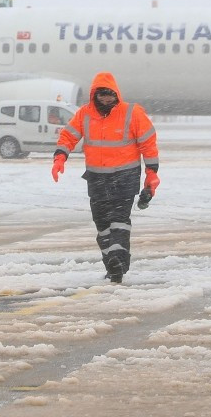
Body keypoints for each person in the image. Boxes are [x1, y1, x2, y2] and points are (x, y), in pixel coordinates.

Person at [50, 72, 159, 284]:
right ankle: (112, 262)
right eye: (102, 95)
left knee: (119, 221)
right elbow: (69, 136)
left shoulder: (132, 113)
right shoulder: (84, 115)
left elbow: (148, 144)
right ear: (95, 96)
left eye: (110, 95)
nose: (107, 99)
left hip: (125, 177)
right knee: (102, 224)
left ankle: (118, 261)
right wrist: (60, 157)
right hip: (97, 178)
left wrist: (152, 173)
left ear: (116, 94)